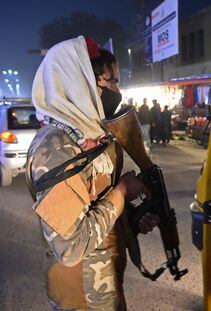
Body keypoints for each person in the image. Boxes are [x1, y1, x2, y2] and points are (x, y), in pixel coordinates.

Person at [26, 36, 159, 310]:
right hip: (80, 297)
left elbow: (97, 207)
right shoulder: (54, 149)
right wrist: (122, 192)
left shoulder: (96, 138)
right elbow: (71, 247)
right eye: (111, 82)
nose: (117, 91)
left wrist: (133, 219)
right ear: (81, 83)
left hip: (106, 285)